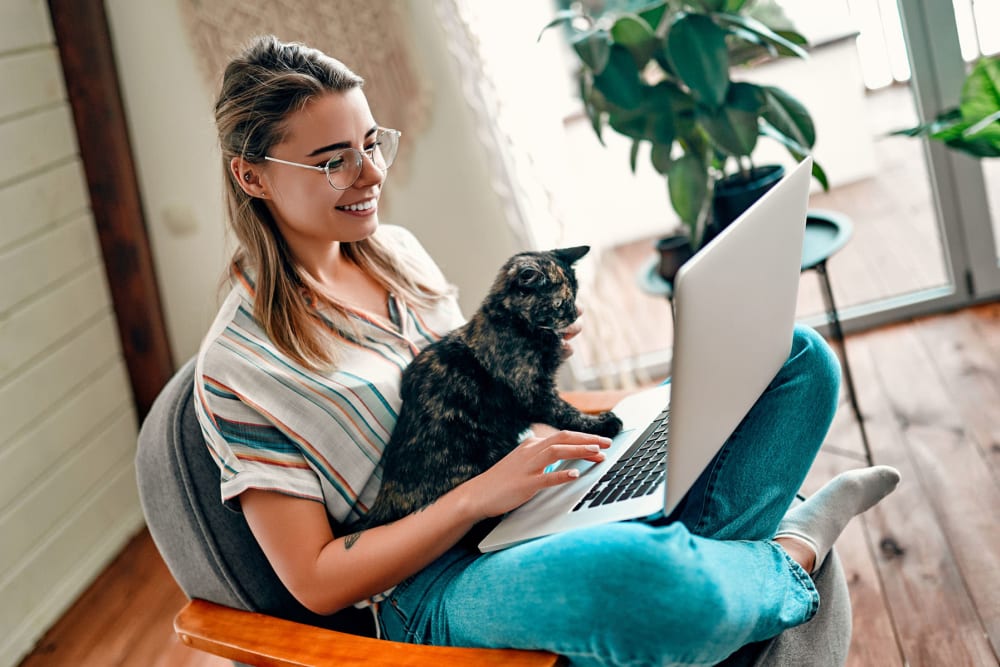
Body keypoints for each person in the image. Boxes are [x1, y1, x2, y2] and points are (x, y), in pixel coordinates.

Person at [194, 35, 900, 666]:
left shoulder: (394, 254)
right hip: (436, 586)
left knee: (799, 360)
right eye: (332, 162)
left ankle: (693, 592)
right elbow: (317, 580)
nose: (371, 175)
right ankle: (785, 558)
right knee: (641, 580)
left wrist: (527, 358)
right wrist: (479, 496)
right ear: (251, 176)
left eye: (372, 143)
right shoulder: (241, 369)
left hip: (532, 499)